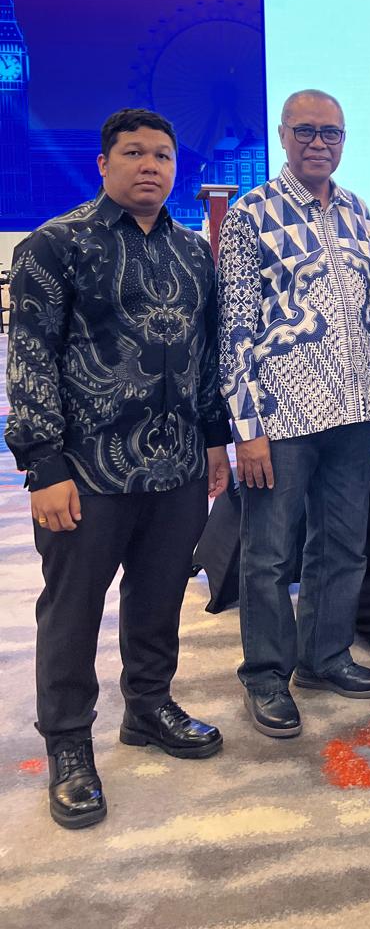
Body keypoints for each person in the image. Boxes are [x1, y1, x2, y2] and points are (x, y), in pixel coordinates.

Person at [4, 108, 229, 830]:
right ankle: (69, 744)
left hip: (177, 467)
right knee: (72, 611)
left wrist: (216, 441)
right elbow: (30, 358)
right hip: (86, 472)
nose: (150, 165)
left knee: (159, 597)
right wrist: (43, 466)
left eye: (162, 155)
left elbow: (205, 357)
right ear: (104, 163)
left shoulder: (193, 254)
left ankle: (149, 706)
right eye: (133, 153)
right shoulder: (56, 245)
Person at [218, 89, 370, 739]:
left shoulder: (359, 211)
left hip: (353, 412)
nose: (319, 143)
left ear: (344, 141)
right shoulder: (251, 214)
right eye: (307, 131)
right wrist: (247, 429)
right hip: (280, 420)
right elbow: (234, 328)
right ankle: (266, 675)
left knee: (343, 546)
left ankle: (325, 657)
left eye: (331, 133)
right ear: (283, 135)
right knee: (268, 556)